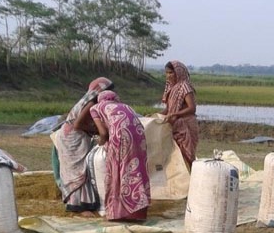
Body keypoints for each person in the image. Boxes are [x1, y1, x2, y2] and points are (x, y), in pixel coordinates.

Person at [53, 77, 114, 215]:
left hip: (75, 136)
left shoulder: (89, 102)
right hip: (72, 139)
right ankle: (78, 205)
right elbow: (78, 124)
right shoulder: (91, 103)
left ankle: (85, 203)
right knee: (78, 170)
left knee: (83, 169)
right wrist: (99, 132)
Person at [90, 91, 151, 222]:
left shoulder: (95, 108)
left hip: (121, 137)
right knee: (136, 171)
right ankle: (138, 213)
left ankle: (118, 213)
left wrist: (99, 145)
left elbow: (103, 133)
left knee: (117, 172)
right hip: (139, 136)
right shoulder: (125, 106)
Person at [161, 60, 199, 170]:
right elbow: (169, 109)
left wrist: (175, 114)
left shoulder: (185, 86)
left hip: (186, 125)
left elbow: (192, 108)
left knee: (188, 154)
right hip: (175, 125)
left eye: (171, 73)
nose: (168, 76)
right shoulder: (171, 88)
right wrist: (156, 115)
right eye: (167, 73)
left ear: (178, 72)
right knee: (176, 155)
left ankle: (193, 178)